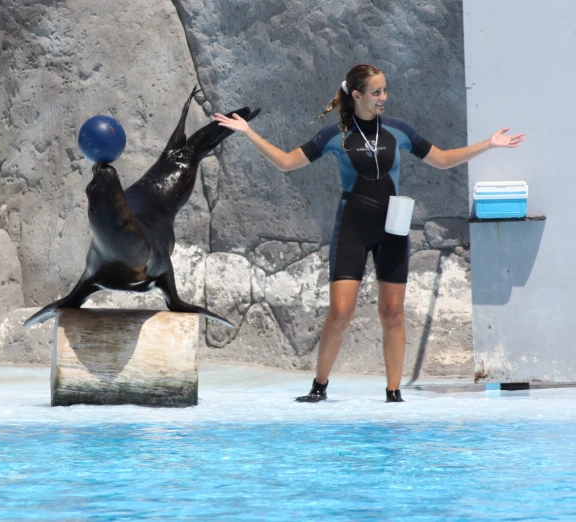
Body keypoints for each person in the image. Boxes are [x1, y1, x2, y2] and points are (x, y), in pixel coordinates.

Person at [215, 63, 524, 403]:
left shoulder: (398, 130)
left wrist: (489, 144)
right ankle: (319, 386)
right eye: (376, 92)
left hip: (392, 227)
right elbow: (287, 162)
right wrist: (248, 132)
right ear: (357, 94)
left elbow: (443, 159)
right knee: (340, 312)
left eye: (385, 90)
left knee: (393, 313)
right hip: (352, 227)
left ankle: (394, 392)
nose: (383, 97)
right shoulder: (335, 135)